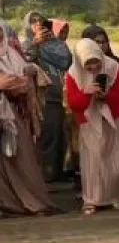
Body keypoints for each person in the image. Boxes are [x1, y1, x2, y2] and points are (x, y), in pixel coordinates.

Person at [65, 38, 119, 214]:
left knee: (116, 158)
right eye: (88, 64)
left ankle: (115, 196)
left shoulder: (113, 66)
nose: (94, 67)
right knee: (93, 160)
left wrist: (105, 96)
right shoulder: (73, 73)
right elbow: (74, 103)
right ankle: (91, 199)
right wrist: (86, 93)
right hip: (89, 119)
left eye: (96, 61)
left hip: (116, 116)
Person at [0, 22, 58, 216]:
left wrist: (16, 82)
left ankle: (28, 201)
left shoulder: (12, 55)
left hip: (15, 116)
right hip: (5, 114)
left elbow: (23, 81)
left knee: (21, 159)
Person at [22, 11, 72, 183]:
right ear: (27, 25)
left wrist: (44, 46)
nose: (38, 25)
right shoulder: (25, 44)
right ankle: (45, 175)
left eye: (41, 22)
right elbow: (23, 62)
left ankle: (58, 172)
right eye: (33, 22)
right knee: (45, 136)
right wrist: (35, 44)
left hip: (60, 96)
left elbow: (65, 61)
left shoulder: (57, 44)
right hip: (39, 97)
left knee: (60, 136)